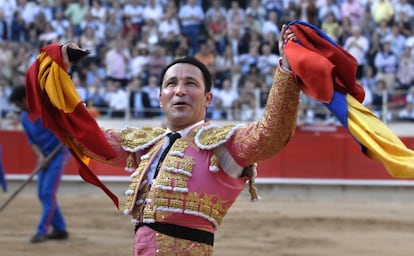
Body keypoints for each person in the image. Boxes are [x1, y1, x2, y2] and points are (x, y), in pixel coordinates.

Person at [30, 25, 299, 255]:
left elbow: (271, 134)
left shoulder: (223, 145)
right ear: (160, 98)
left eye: (191, 84)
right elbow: (88, 139)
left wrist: (286, 69)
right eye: (171, 84)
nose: (179, 90)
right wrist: (58, 72)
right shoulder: (147, 145)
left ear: (208, 99)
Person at [8, 85, 70, 243]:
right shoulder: (24, 118)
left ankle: (41, 231)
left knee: (47, 193)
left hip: (58, 154)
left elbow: (65, 129)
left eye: (17, 103)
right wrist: (41, 157)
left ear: (25, 99)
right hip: (43, 157)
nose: (17, 107)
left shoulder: (47, 109)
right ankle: (60, 229)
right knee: (42, 194)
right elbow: (32, 141)